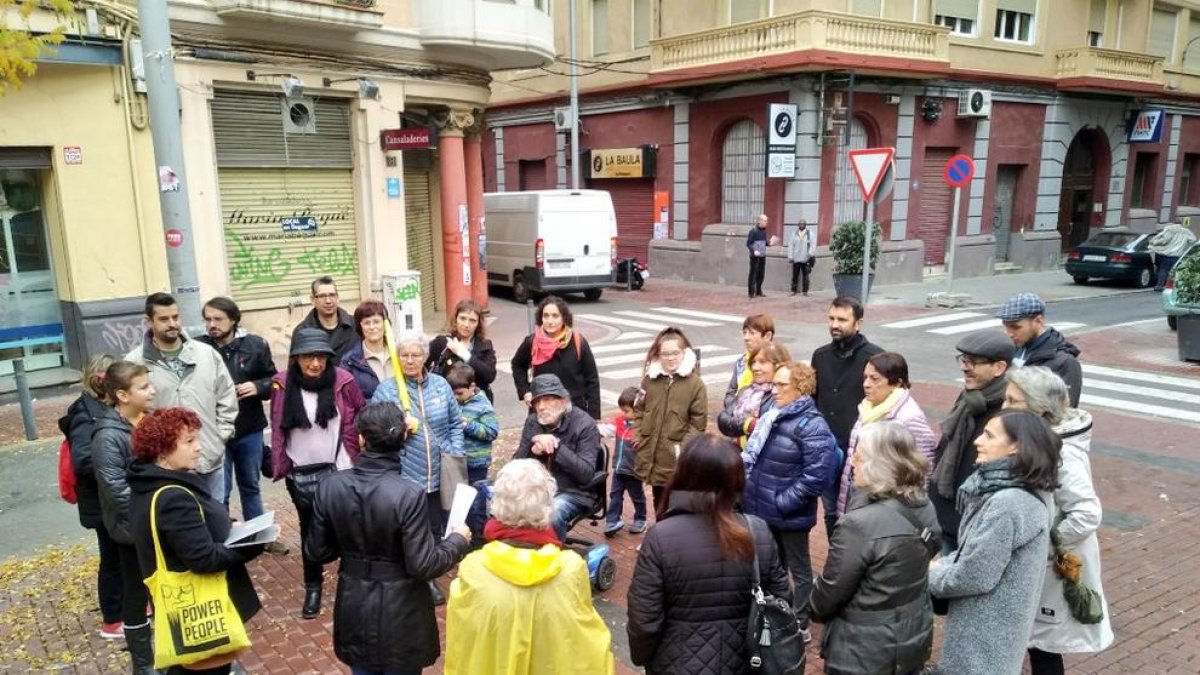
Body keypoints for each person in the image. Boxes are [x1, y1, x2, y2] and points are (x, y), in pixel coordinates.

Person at [306, 403, 472, 675]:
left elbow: (317, 550)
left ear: (362, 439)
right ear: (403, 438)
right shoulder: (408, 494)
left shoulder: (331, 486)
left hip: (354, 602)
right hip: (401, 609)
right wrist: (456, 540)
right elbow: (423, 565)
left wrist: (347, 531)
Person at [627, 434, 791, 674]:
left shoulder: (660, 537)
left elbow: (644, 619)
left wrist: (645, 658)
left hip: (677, 661)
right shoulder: (758, 531)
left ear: (683, 473)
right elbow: (783, 598)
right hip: (747, 660)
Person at [444, 459, 615, 674]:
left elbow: (465, 639)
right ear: (548, 506)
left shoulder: (474, 568)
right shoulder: (572, 568)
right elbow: (584, 635)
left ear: (497, 506)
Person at [127, 408, 264, 675]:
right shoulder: (172, 496)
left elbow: (185, 535)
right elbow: (204, 559)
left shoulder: (149, 483)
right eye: (189, 441)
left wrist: (224, 526)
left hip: (181, 608)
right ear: (162, 449)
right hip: (198, 610)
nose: (199, 448)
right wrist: (253, 543)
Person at [928, 409, 1060, 675]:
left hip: (983, 646)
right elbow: (971, 554)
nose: (978, 441)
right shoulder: (1015, 492)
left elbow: (974, 574)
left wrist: (929, 574)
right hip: (993, 640)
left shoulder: (1007, 503)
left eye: (989, 435)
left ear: (1015, 447)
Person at [1004, 367, 1114, 674]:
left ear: (1038, 412)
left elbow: (1087, 513)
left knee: (1043, 644)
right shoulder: (1037, 442)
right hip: (1040, 564)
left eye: (1012, 401)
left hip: (1052, 569)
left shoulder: (1062, 454)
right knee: (1035, 641)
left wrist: (1047, 545)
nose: (1004, 408)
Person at [810, 422, 941, 675]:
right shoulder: (923, 504)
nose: (852, 464)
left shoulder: (858, 525)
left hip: (863, 651)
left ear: (877, 466)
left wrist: (812, 602)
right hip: (911, 633)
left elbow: (828, 596)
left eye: (858, 457)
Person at [270, 328, 366, 619]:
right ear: (296, 358)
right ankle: (313, 587)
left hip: (341, 468)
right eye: (308, 357)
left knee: (349, 530)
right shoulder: (283, 385)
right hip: (300, 471)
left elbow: (362, 412)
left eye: (321, 357)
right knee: (309, 531)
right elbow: (276, 427)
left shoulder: (343, 380)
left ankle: (353, 586)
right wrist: (280, 464)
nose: (315, 363)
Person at [741, 360, 840, 641]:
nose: (774, 390)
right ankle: (775, 613)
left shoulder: (813, 425)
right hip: (763, 509)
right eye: (775, 383)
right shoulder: (775, 414)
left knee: (799, 568)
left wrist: (782, 502)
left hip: (789, 513)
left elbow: (815, 478)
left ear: (802, 388)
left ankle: (800, 622)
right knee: (774, 565)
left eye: (782, 384)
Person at [370, 331, 465, 604]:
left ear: (425, 356)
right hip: (405, 474)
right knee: (410, 528)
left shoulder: (440, 386)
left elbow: (455, 424)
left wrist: (454, 452)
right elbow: (376, 433)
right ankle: (418, 577)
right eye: (404, 355)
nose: (410, 360)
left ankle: (430, 572)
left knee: (434, 525)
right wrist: (399, 430)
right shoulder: (387, 390)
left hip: (439, 471)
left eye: (415, 355)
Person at [127, 292, 238, 500]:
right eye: (163, 319)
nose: (172, 324)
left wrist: (220, 436)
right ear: (148, 321)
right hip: (167, 468)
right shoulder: (135, 362)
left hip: (210, 458)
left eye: (175, 317)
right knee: (181, 523)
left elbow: (227, 397)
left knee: (217, 521)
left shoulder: (206, 354)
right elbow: (131, 413)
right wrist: (156, 451)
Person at [91, 360, 157, 673]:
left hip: (158, 522)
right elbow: (115, 489)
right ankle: (142, 663)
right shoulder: (107, 436)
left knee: (164, 588)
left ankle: (173, 650)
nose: (152, 391)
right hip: (132, 529)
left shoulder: (151, 420)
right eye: (143, 387)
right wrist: (153, 509)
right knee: (136, 590)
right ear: (122, 395)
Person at [930, 328, 1014, 552]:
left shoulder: (1008, 411)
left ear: (999, 367)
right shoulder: (969, 398)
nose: (964, 367)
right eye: (964, 359)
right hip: (942, 515)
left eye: (974, 362)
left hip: (967, 526)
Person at [196, 296, 277, 529]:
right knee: (219, 489)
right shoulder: (198, 348)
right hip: (212, 431)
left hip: (248, 427)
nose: (212, 324)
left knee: (250, 485)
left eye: (218, 319)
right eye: (208, 319)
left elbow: (274, 381)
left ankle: (258, 533)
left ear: (233, 320)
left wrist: (257, 386)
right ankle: (222, 535)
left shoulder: (255, 345)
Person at [57, 354, 123, 639]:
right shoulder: (85, 413)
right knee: (112, 559)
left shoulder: (104, 407)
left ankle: (128, 606)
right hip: (100, 501)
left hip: (108, 498)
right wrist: (117, 464)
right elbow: (84, 460)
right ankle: (112, 618)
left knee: (123, 555)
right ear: (99, 381)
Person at [812, 295, 885, 535]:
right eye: (831, 318)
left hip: (860, 454)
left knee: (859, 515)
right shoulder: (820, 356)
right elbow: (814, 400)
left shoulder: (875, 358)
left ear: (858, 323)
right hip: (827, 451)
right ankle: (836, 559)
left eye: (842, 319)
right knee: (831, 512)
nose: (835, 324)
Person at [835, 352, 937, 519]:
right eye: (865, 377)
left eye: (875, 379)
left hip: (887, 507)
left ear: (897, 383)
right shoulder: (869, 408)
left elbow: (923, 472)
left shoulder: (909, 418)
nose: (866, 384)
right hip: (860, 493)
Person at [513, 374, 604, 542]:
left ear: (563, 400)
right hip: (537, 489)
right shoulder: (533, 422)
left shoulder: (585, 425)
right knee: (498, 503)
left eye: (548, 400)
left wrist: (556, 447)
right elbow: (515, 465)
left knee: (551, 515)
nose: (541, 407)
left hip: (573, 491)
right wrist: (533, 450)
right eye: (537, 402)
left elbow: (585, 474)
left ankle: (553, 559)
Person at [633, 327, 708, 512]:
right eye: (665, 353)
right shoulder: (649, 380)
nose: (671, 358)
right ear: (659, 355)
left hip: (675, 458)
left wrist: (681, 450)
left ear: (684, 353)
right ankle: (661, 535)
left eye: (675, 353)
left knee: (677, 503)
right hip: (652, 453)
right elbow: (639, 409)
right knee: (659, 502)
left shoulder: (695, 384)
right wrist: (638, 435)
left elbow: (698, 423)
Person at [511, 295, 601, 419]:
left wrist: (593, 417)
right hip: (543, 411)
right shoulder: (532, 342)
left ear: (564, 318)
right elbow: (517, 365)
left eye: (555, 316)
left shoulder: (578, 342)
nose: (550, 321)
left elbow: (592, 380)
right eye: (546, 316)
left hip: (574, 411)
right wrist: (525, 391)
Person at [996, 292, 1083, 406]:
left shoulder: (1065, 362)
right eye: (1006, 327)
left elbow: (1064, 411)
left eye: (1015, 327)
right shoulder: (1010, 349)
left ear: (1038, 321)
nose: (1009, 334)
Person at [717, 342, 790, 448]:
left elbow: (771, 432)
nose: (755, 367)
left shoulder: (781, 396)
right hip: (737, 456)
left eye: (762, 362)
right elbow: (723, 419)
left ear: (778, 365)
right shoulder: (746, 391)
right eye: (753, 362)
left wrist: (739, 430)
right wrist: (748, 424)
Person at [427, 299, 498, 402]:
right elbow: (422, 365)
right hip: (446, 401)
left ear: (478, 324)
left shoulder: (485, 345)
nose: (466, 325)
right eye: (462, 318)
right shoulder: (442, 342)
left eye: (472, 320)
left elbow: (489, 376)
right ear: (456, 319)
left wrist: (465, 355)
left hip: (477, 404)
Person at [603, 386, 647, 537]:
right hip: (619, 468)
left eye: (627, 411)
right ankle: (612, 520)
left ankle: (640, 519)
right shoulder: (620, 422)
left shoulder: (643, 428)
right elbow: (607, 429)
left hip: (633, 470)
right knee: (615, 494)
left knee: (637, 496)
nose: (624, 414)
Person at [446, 362, 499, 485]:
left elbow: (491, 432)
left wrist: (468, 425)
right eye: (452, 393)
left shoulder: (483, 406)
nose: (455, 397)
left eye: (459, 393)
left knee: (476, 496)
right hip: (457, 460)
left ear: (472, 386)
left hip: (477, 463)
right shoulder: (453, 403)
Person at [296, 275, 357, 362]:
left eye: (332, 295)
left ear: (337, 297)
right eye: (322, 296)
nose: (328, 301)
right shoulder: (302, 332)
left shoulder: (355, 325)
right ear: (313, 299)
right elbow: (294, 371)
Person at [723, 313, 775, 413]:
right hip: (738, 418)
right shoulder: (741, 362)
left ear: (767, 336)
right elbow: (731, 392)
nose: (746, 338)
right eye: (745, 332)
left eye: (752, 333)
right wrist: (735, 408)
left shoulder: (776, 362)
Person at [338, 299, 390, 400]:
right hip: (369, 415)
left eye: (376, 322)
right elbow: (347, 400)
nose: (372, 327)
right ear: (360, 327)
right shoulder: (349, 361)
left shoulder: (400, 354)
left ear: (385, 324)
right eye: (366, 323)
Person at [1148, 222, 1197, 292]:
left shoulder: (1170, 229)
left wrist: (1154, 242)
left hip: (1168, 254)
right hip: (1178, 255)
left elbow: (1165, 240)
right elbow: (1193, 239)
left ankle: (1160, 285)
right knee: (1175, 272)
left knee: (1164, 270)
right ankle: (1173, 286)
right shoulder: (1185, 231)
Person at [787, 219, 816, 296]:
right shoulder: (794, 234)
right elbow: (790, 245)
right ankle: (794, 290)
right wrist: (790, 256)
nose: (801, 225)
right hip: (796, 258)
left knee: (805, 276)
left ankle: (805, 291)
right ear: (798, 225)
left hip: (806, 258)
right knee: (795, 275)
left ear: (805, 225)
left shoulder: (810, 234)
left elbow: (813, 245)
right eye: (800, 224)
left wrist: (810, 254)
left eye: (803, 224)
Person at [747, 213, 769, 298]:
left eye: (766, 221)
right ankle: (751, 292)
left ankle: (758, 291)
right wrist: (754, 250)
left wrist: (770, 243)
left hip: (762, 255)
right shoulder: (753, 231)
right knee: (753, 274)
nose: (766, 222)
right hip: (755, 256)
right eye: (765, 220)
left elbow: (765, 242)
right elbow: (748, 244)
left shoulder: (764, 231)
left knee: (761, 274)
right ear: (759, 221)